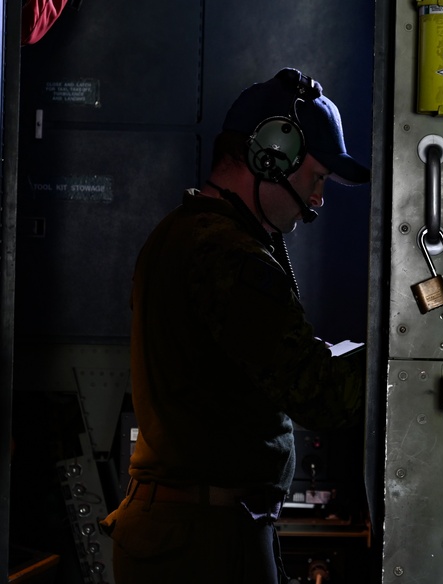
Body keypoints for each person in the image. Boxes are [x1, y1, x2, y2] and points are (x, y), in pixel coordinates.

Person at [99, 67, 369, 584]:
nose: (317, 201)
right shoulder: (228, 256)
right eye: (316, 178)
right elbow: (320, 395)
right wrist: (399, 354)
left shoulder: (180, 234)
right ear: (273, 154)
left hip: (188, 532)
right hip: (204, 542)